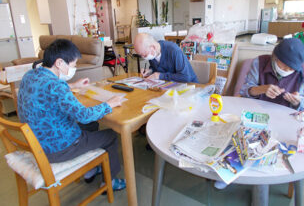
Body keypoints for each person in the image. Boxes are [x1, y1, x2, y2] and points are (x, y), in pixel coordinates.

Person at [18, 39, 126, 191]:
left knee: (92, 125)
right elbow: (84, 115)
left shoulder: (30, 75)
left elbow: (48, 90)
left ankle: (90, 170)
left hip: (38, 141)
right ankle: (110, 182)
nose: (74, 68)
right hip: (58, 149)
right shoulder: (56, 86)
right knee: (110, 135)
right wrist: (110, 104)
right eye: (73, 65)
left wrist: (73, 86)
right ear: (60, 63)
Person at [240, 38, 304, 111]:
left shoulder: (303, 75)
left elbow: (303, 106)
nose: (287, 70)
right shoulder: (259, 63)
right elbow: (244, 91)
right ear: (275, 57)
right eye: (284, 65)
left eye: (292, 68)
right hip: (256, 111)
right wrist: (261, 89)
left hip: (285, 115)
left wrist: (296, 102)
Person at [134, 33, 199, 83]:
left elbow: (185, 77)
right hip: (168, 86)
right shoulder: (153, 53)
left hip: (189, 87)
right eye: (141, 55)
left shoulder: (174, 50)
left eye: (144, 55)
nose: (144, 58)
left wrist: (159, 76)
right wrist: (150, 71)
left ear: (153, 47)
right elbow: (157, 68)